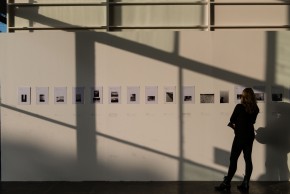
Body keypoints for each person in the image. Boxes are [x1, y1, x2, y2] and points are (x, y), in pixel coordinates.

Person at [215, 88, 259, 191]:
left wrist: (236, 126)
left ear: (244, 96)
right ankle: (246, 183)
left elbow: (232, 120)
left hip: (240, 136)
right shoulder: (256, 108)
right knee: (248, 159)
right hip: (249, 136)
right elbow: (252, 121)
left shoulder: (239, 107)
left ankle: (227, 183)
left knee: (233, 159)